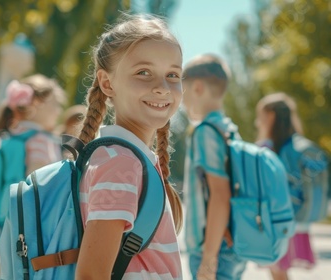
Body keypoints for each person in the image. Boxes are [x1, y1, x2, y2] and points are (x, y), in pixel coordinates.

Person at [74, 14, 183, 279]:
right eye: (143, 72)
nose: (162, 87)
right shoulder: (120, 162)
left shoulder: (128, 158)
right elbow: (91, 275)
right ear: (107, 83)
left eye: (173, 74)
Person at [182, 54, 246, 279]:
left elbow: (220, 195)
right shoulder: (228, 129)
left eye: (184, 92)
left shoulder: (205, 132)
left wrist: (208, 260)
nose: (182, 102)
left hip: (211, 248)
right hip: (230, 242)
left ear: (198, 87)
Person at [255, 93, 316, 280]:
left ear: (271, 116)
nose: (258, 122)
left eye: (261, 116)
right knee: (280, 272)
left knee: (278, 271)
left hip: (273, 219)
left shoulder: (266, 149)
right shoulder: (297, 147)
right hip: (295, 217)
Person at [0, 74, 65, 175]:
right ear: (36, 103)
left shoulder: (9, 135)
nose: (58, 112)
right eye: (55, 104)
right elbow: (36, 185)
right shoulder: (40, 140)